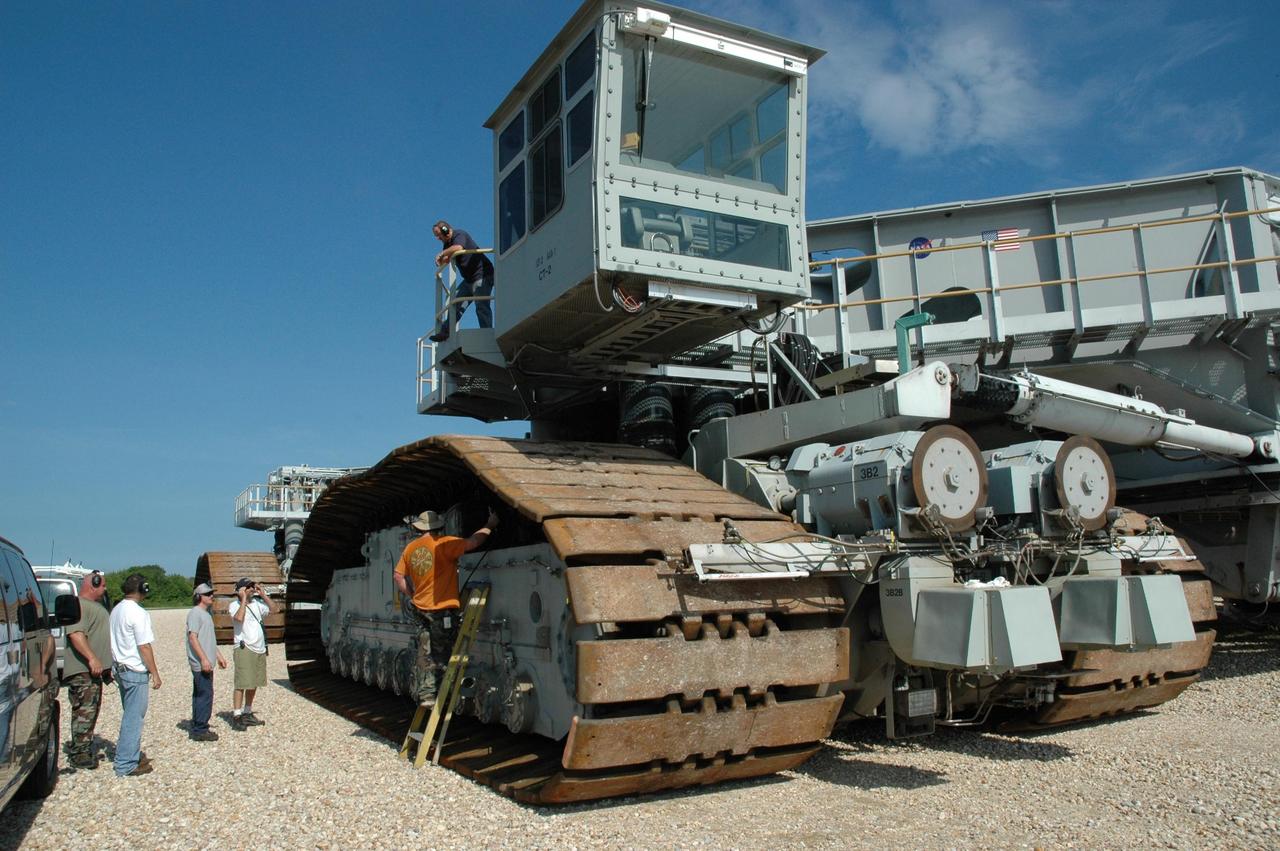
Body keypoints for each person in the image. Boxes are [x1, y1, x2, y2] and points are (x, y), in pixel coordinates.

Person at [393, 509, 497, 706]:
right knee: (442, 651)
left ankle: (426, 695)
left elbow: (398, 576)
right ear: (439, 527)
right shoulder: (445, 544)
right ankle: (445, 695)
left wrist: (412, 594)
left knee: (425, 650)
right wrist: (490, 524)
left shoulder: (411, 548)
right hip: (441, 609)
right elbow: (474, 542)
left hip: (419, 608)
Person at [109, 573, 161, 777]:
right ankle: (126, 764)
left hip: (120, 668)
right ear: (143, 589)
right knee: (134, 717)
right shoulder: (138, 613)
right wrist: (155, 673)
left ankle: (129, 753)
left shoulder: (117, 610)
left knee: (129, 713)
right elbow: (144, 646)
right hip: (134, 670)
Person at [63, 571, 112, 769]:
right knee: (84, 711)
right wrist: (92, 658)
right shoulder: (80, 606)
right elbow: (75, 634)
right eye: (103, 585)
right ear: (94, 584)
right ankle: (79, 754)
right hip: (83, 671)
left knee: (90, 709)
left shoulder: (92, 606)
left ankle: (82, 747)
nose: (105, 589)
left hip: (93, 672)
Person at [429, 220, 494, 342]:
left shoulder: (459, 235)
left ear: (445, 230)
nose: (438, 238)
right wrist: (441, 259)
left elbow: (458, 247)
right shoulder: (447, 244)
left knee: (481, 306)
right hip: (469, 279)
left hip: (482, 275)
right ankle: (445, 332)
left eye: (438, 235)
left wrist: (442, 254)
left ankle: (487, 334)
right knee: (455, 304)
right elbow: (448, 258)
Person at [228, 577, 271, 730]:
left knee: (254, 682)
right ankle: (237, 715)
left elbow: (275, 609)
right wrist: (243, 598)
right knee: (241, 683)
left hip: (259, 648)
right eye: (248, 587)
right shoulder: (234, 605)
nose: (252, 589)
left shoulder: (258, 605)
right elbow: (239, 618)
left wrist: (263, 594)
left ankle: (247, 711)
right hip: (244, 647)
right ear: (240, 590)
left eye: (253, 587)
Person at [186, 582, 227, 742]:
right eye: (208, 594)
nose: (212, 596)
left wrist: (219, 656)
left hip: (207, 661)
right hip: (201, 663)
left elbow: (209, 640)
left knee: (200, 693)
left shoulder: (206, 614)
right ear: (199, 597)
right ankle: (200, 729)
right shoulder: (195, 613)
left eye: (212, 594)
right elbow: (193, 637)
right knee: (205, 694)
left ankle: (198, 724)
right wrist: (203, 659)